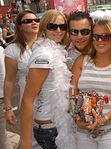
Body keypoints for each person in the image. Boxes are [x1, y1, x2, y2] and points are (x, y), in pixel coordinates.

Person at [70, 18, 111, 148]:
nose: (100, 40)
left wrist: (105, 119)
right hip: (83, 132)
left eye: (105, 36)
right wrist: (77, 119)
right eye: (96, 37)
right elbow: (71, 93)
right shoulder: (81, 61)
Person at [20, 9, 75, 148]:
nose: (59, 30)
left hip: (56, 125)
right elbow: (27, 100)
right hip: (50, 128)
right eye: (52, 26)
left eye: (63, 27)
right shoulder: (44, 56)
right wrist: (26, 143)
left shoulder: (55, 50)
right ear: (44, 28)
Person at [3, 10, 41, 148]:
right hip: (28, 100)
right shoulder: (13, 49)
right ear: (19, 26)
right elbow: (9, 80)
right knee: (31, 138)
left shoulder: (48, 44)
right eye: (28, 21)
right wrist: (8, 108)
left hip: (50, 98)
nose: (34, 23)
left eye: (36, 20)